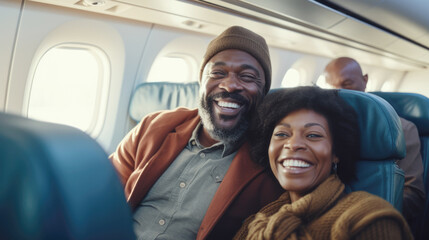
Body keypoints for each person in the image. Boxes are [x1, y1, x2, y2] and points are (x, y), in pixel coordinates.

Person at [109, 26, 283, 240]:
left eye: (247, 77)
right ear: (202, 81)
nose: (229, 86)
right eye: (218, 73)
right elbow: (104, 194)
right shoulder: (154, 126)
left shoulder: (270, 160)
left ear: (263, 92)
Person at [234, 86, 413, 240]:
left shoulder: (369, 218)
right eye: (282, 134)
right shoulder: (259, 220)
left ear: (336, 152)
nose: (293, 144)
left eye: (313, 135)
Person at [323, 56, 425, 224]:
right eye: (332, 88)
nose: (340, 94)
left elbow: (413, 195)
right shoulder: (321, 129)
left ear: (365, 81)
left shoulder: (401, 129)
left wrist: (363, 215)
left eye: (347, 84)